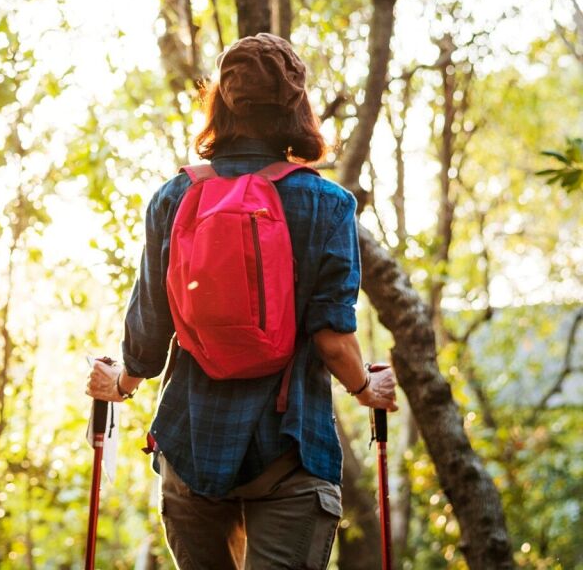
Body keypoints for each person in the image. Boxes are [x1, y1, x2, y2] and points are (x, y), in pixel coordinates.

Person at [86, 33, 398, 569]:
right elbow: (332, 336)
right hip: (289, 449)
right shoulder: (327, 203)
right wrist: (367, 387)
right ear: (296, 108)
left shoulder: (175, 195)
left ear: (220, 105)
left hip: (190, 444)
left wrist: (121, 383)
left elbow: (148, 328)